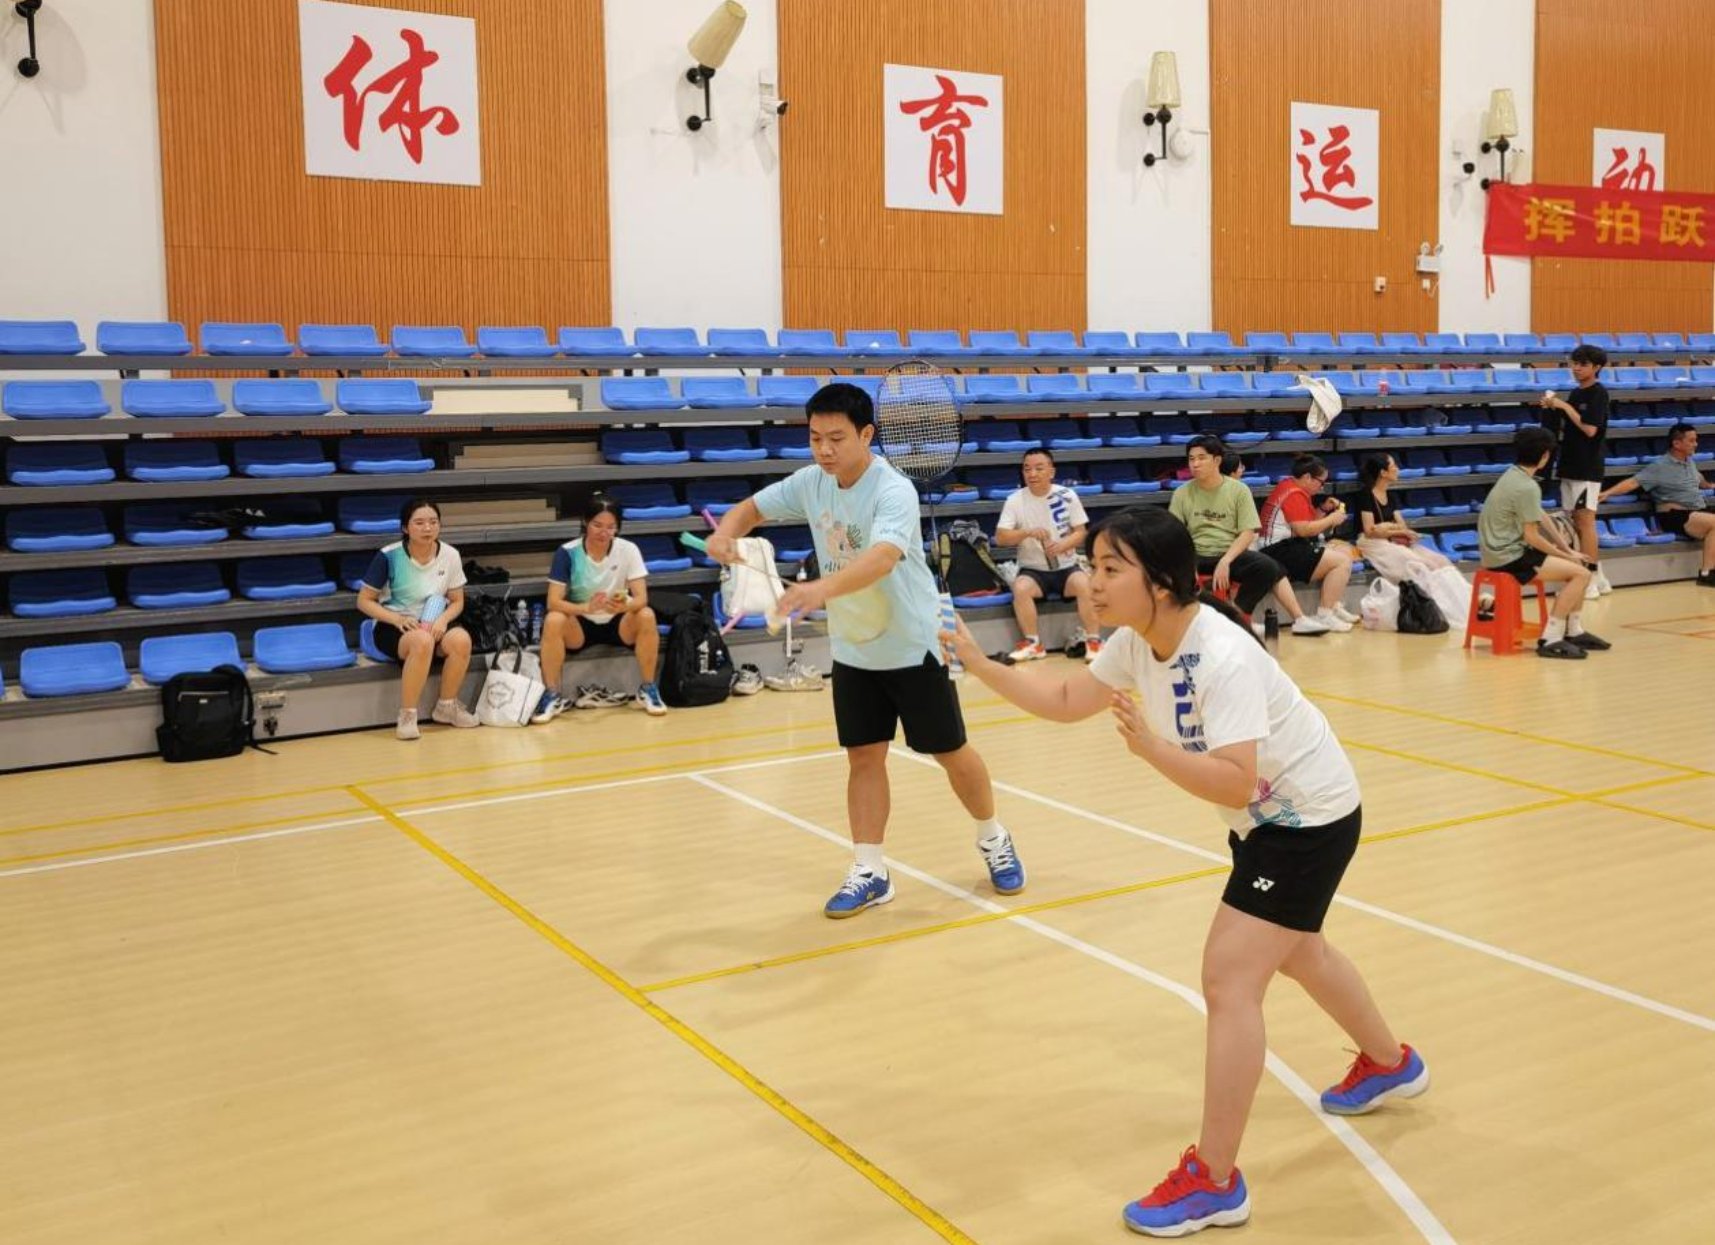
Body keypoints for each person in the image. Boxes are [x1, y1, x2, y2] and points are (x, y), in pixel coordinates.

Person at [943, 507, 1426, 1239]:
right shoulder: (1138, 641)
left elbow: (1234, 779)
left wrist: (1151, 751)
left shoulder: (1221, 656)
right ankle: (1391, 1063)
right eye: (1094, 566)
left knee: (1228, 979)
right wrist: (979, 664)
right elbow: (1069, 700)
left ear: (1162, 583)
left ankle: (1215, 1180)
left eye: (1111, 569)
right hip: (1267, 821)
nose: (1093, 583)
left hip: (1304, 821)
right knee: (1300, 950)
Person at [708, 381, 1025, 917]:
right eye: (815, 438)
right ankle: (870, 869)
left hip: (915, 643)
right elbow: (750, 509)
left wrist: (817, 590)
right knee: (863, 756)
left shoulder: (892, 489)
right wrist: (727, 535)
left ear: (866, 434)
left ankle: (993, 836)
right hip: (855, 647)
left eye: (836, 438)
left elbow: (881, 558)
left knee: (950, 752)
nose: (824, 449)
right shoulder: (811, 482)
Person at [1168, 436, 1329, 636]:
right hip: (1196, 554)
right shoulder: (1182, 493)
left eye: (1201, 458)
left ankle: (1236, 615)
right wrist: (1188, 564)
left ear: (1217, 460)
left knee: (1268, 567)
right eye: (1191, 459)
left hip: (1229, 553)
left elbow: (1247, 532)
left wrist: (1226, 560)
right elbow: (1176, 535)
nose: (1195, 464)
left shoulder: (1239, 490)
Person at [1477, 426, 1611, 658]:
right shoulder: (1527, 487)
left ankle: (1574, 630)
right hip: (1508, 557)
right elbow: (1532, 537)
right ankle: (1551, 637)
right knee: (1581, 574)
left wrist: (1566, 549)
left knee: (1578, 566)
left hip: (1498, 552)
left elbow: (1540, 515)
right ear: (1545, 456)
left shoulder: (1512, 475)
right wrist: (1565, 554)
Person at [356, 497, 481, 740]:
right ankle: (407, 715)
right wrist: (396, 619)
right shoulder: (389, 556)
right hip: (395, 625)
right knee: (422, 642)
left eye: (433, 522)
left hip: (434, 621)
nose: (427, 528)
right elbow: (364, 601)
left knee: (461, 640)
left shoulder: (451, 555)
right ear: (405, 527)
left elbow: (457, 601)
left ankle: (446, 706)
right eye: (420, 523)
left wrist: (443, 620)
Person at [534, 496, 665, 720]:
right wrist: (586, 607)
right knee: (554, 619)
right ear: (585, 522)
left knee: (646, 614)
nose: (604, 532)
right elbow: (553, 602)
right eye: (597, 525)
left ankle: (648, 688)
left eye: (611, 527)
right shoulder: (567, 552)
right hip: (581, 622)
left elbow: (641, 598)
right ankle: (552, 694)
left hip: (618, 621)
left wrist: (623, 606)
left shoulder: (629, 550)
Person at [996, 447, 1104, 662]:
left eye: (1039, 468)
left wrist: (1063, 545)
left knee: (1085, 584)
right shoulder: (1014, 500)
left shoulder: (1067, 495)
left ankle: (1094, 641)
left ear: (1051, 472)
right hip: (1033, 571)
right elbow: (1001, 537)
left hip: (1067, 568)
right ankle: (1033, 644)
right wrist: (1027, 532)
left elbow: (1081, 532)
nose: (1032, 474)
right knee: (1020, 588)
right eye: (1027, 469)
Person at [1599, 422, 1715, 587]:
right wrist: (1607, 493)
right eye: (1691, 441)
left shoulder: (1689, 462)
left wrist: (1709, 486)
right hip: (1674, 515)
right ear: (1677, 443)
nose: (1696, 444)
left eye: (1696, 440)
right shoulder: (1660, 466)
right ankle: (1707, 573)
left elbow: (1699, 479)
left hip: (1698, 511)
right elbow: (1633, 482)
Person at [1256, 454, 1360, 632]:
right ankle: (1325, 614)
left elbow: (1308, 522)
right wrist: (1332, 519)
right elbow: (1304, 530)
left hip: (1285, 545)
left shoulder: (1291, 486)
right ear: (1307, 477)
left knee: (1342, 553)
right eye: (1321, 482)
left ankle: (1333, 606)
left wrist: (1323, 509)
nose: (1322, 487)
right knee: (1342, 561)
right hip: (1277, 550)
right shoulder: (1293, 494)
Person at [1539, 344, 1612, 598]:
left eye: (1583, 364)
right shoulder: (1576, 393)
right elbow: (1568, 425)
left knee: (1585, 521)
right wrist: (1552, 408)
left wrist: (1564, 406)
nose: (1577, 368)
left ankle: (1589, 578)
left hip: (1587, 466)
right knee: (1573, 521)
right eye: (1574, 363)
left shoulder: (1598, 393)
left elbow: (1590, 429)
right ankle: (1597, 576)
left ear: (1596, 367)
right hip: (1569, 463)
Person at [1351, 452, 1453, 581]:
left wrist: (1388, 528)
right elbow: (1370, 532)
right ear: (1383, 472)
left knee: (1441, 561)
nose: (1397, 469)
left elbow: (1402, 525)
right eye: (1393, 466)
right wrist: (1397, 529)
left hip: (1391, 539)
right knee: (1421, 564)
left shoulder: (1391, 497)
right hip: (1372, 543)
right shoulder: (1365, 495)